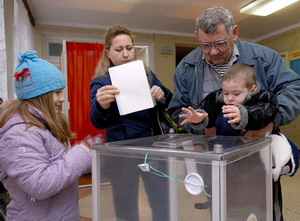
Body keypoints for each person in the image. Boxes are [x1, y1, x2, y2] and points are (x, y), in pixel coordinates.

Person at [167, 7, 300, 221]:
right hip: (215, 161)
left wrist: (271, 121)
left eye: (220, 43)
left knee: (263, 210)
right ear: (197, 37)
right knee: (222, 210)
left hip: (257, 158)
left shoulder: (263, 58)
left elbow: (294, 87)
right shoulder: (186, 68)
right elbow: (178, 109)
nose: (212, 51)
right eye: (205, 44)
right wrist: (198, 126)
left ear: (234, 33)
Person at [90, 25, 172, 221]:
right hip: (121, 152)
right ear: (108, 52)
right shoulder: (101, 83)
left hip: (153, 147)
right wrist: (101, 105)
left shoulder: (148, 74)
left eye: (129, 48)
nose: (125, 54)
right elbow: (96, 122)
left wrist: (162, 95)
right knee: (125, 202)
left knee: (161, 197)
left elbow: (169, 100)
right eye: (119, 50)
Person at [0, 50, 92, 221]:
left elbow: (60, 165)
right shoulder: (19, 134)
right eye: (57, 93)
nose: (63, 99)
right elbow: (39, 185)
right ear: (39, 97)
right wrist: (81, 154)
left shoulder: (43, 126)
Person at [179, 63, 298, 181]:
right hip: (228, 146)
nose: (229, 98)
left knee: (284, 147)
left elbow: (265, 112)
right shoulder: (216, 98)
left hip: (262, 141)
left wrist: (244, 114)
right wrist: (200, 118)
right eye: (226, 93)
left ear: (252, 89)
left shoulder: (265, 97)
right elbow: (207, 109)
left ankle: (285, 165)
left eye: (236, 94)